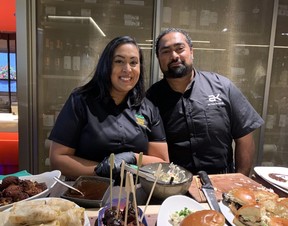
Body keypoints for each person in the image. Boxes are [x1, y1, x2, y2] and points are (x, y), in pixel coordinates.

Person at [49, 36, 169, 181]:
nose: (127, 69)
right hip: (88, 193)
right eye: (119, 61)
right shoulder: (81, 101)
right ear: (106, 65)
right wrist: (101, 170)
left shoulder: (148, 108)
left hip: (136, 193)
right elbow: (58, 158)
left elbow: (162, 163)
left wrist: (132, 157)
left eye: (133, 62)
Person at [146, 28, 264, 176]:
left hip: (221, 182)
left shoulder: (222, 87)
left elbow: (244, 137)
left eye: (180, 48)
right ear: (158, 58)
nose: (174, 56)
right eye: (166, 51)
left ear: (191, 52)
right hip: (174, 186)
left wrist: (240, 180)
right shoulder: (151, 99)